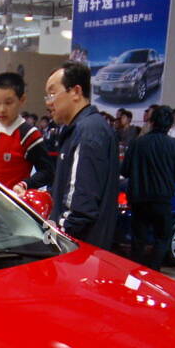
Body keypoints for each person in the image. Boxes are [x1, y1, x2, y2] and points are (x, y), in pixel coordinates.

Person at [43, 61, 119, 250]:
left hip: (78, 249)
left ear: (76, 92)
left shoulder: (87, 133)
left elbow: (80, 207)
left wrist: (49, 238)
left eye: (53, 93)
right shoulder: (84, 129)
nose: (48, 102)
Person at [121, 104, 175, 268]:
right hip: (162, 198)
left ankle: (136, 273)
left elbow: (125, 170)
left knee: (138, 240)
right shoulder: (174, 145)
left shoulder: (137, 143)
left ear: (152, 121)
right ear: (170, 124)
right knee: (162, 238)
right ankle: (154, 272)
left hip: (139, 198)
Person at [0, 71, 55, 194]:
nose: (1, 109)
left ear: (22, 100)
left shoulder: (28, 134)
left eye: (8, 103)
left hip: (14, 208)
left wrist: (25, 185)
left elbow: (48, 172)